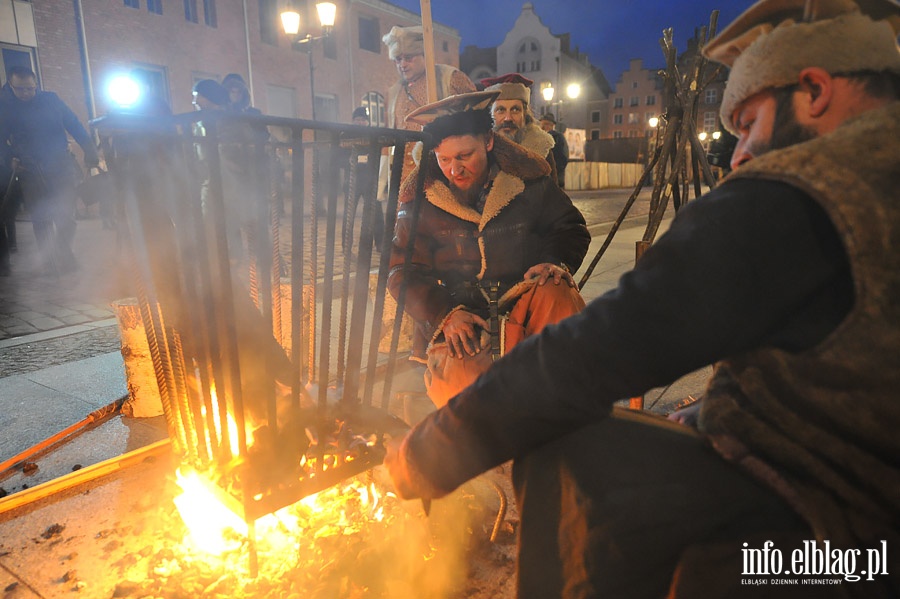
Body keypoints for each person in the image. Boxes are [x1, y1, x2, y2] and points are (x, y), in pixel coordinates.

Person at [385, 0, 900, 597]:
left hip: (842, 547)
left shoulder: (806, 194)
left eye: (751, 124)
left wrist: (435, 448)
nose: (738, 156)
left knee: (561, 448)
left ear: (813, 91)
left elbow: (600, 349)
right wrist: (709, 417)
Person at [388, 90, 590, 409]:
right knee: (463, 396)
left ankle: (556, 417)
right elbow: (401, 271)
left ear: (488, 141)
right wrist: (445, 314)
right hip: (461, 313)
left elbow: (569, 227)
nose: (455, 169)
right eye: (444, 160)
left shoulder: (529, 182)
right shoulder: (419, 201)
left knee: (557, 292)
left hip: (523, 298)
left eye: (465, 155)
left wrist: (554, 261)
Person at [0, 65, 99, 275]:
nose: (26, 93)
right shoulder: (6, 108)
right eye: (20, 89)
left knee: (66, 217)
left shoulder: (51, 101)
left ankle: (64, 252)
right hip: (29, 170)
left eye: (30, 89)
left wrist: (89, 149)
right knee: (41, 218)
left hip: (60, 166)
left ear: (36, 85)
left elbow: (74, 124)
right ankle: (49, 261)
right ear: (11, 85)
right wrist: (10, 157)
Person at [382, 25, 476, 181]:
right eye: (398, 59)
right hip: (403, 178)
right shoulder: (394, 92)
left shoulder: (450, 78)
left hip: (442, 173)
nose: (403, 65)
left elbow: (478, 120)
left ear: (425, 55)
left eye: (409, 58)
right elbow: (388, 137)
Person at [481, 73, 559, 183]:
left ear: (525, 115)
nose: (508, 118)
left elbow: (554, 197)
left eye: (515, 110)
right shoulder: (478, 150)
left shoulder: (542, 148)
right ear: (490, 114)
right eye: (500, 110)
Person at [342, 106, 384, 252]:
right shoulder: (346, 134)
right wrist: (349, 160)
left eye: (362, 120)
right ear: (353, 121)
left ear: (366, 122)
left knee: (375, 211)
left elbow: (378, 153)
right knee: (349, 214)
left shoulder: (373, 134)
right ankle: (346, 245)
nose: (360, 123)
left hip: (369, 178)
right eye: (357, 120)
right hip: (352, 179)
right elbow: (339, 156)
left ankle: (380, 243)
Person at [539, 112, 569, 188]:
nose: (542, 127)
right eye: (541, 124)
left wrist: (552, 172)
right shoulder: (539, 138)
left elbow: (563, 158)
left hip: (554, 179)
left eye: (545, 124)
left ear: (552, 125)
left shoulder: (557, 137)